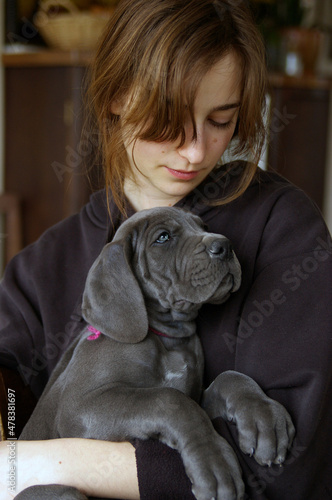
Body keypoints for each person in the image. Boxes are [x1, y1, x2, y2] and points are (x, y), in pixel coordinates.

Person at [0, 0, 331, 498]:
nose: (195, 150)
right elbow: (9, 389)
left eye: (221, 120)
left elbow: (284, 468)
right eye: (168, 118)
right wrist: (6, 423)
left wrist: (36, 463)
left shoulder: (282, 228)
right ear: (115, 98)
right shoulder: (47, 261)